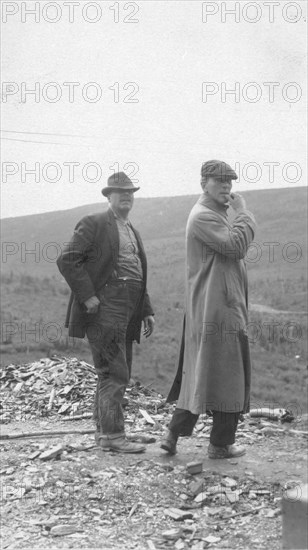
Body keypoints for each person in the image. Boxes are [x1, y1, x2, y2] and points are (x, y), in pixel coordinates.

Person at [161, 160, 256, 459]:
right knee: (229, 376)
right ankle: (220, 444)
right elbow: (236, 247)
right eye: (219, 181)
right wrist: (244, 213)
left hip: (217, 305)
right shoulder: (205, 216)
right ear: (203, 183)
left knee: (202, 374)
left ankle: (172, 435)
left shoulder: (214, 213)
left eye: (229, 181)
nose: (226, 186)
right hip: (218, 309)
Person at [57, 172, 155, 453]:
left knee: (110, 372)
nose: (126, 196)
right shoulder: (95, 222)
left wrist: (146, 309)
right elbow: (67, 259)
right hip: (106, 307)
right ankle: (113, 437)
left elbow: (135, 271)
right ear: (108, 196)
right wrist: (87, 296)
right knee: (115, 371)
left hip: (130, 307)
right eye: (119, 192)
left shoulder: (131, 229)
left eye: (130, 192)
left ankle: (106, 433)